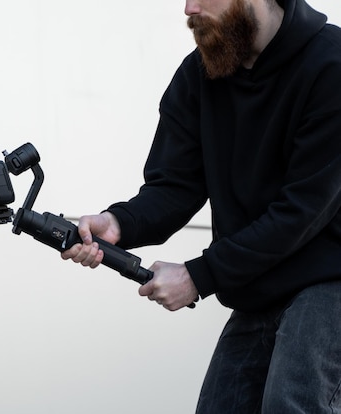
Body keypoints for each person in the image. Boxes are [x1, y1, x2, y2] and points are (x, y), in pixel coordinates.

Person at [61, 0, 341, 412]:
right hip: (259, 284)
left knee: (290, 402)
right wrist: (119, 223)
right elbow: (175, 185)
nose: (189, 7)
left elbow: (302, 212)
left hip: (330, 280)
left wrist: (200, 275)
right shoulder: (201, 72)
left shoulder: (331, 65)